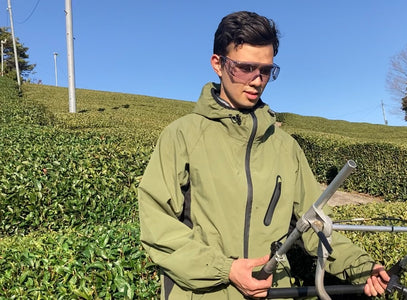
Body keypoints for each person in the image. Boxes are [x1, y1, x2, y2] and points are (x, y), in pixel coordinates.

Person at [138, 11, 389, 300]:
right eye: (244, 67)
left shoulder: (286, 147)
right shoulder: (181, 136)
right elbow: (158, 226)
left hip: (273, 294)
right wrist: (226, 269)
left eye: (266, 70)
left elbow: (315, 225)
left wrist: (362, 267)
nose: (257, 80)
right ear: (217, 64)